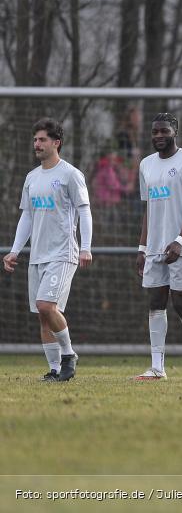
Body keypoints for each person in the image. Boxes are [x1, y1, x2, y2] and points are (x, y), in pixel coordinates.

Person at [3, 118, 92, 382]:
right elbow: (27, 217)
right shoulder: (31, 178)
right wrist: (15, 250)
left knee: (46, 305)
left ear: (56, 143)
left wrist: (86, 247)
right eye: (35, 140)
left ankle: (69, 355)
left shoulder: (70, 174)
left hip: (63, 253)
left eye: (42, 140)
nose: (37, 144)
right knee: (43, 317)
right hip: (38, 255)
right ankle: (55, 370)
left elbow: (84, 212)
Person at [134, 113, 182, 381]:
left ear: (175, 131)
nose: (158, 136)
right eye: (155, 131)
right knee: (155, 302)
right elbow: (148, 210)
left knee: (180, 303)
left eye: (164, 131)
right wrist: (142, 248)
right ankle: (157, 367)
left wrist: (180, 241)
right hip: (155, 247)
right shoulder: (146, 165)